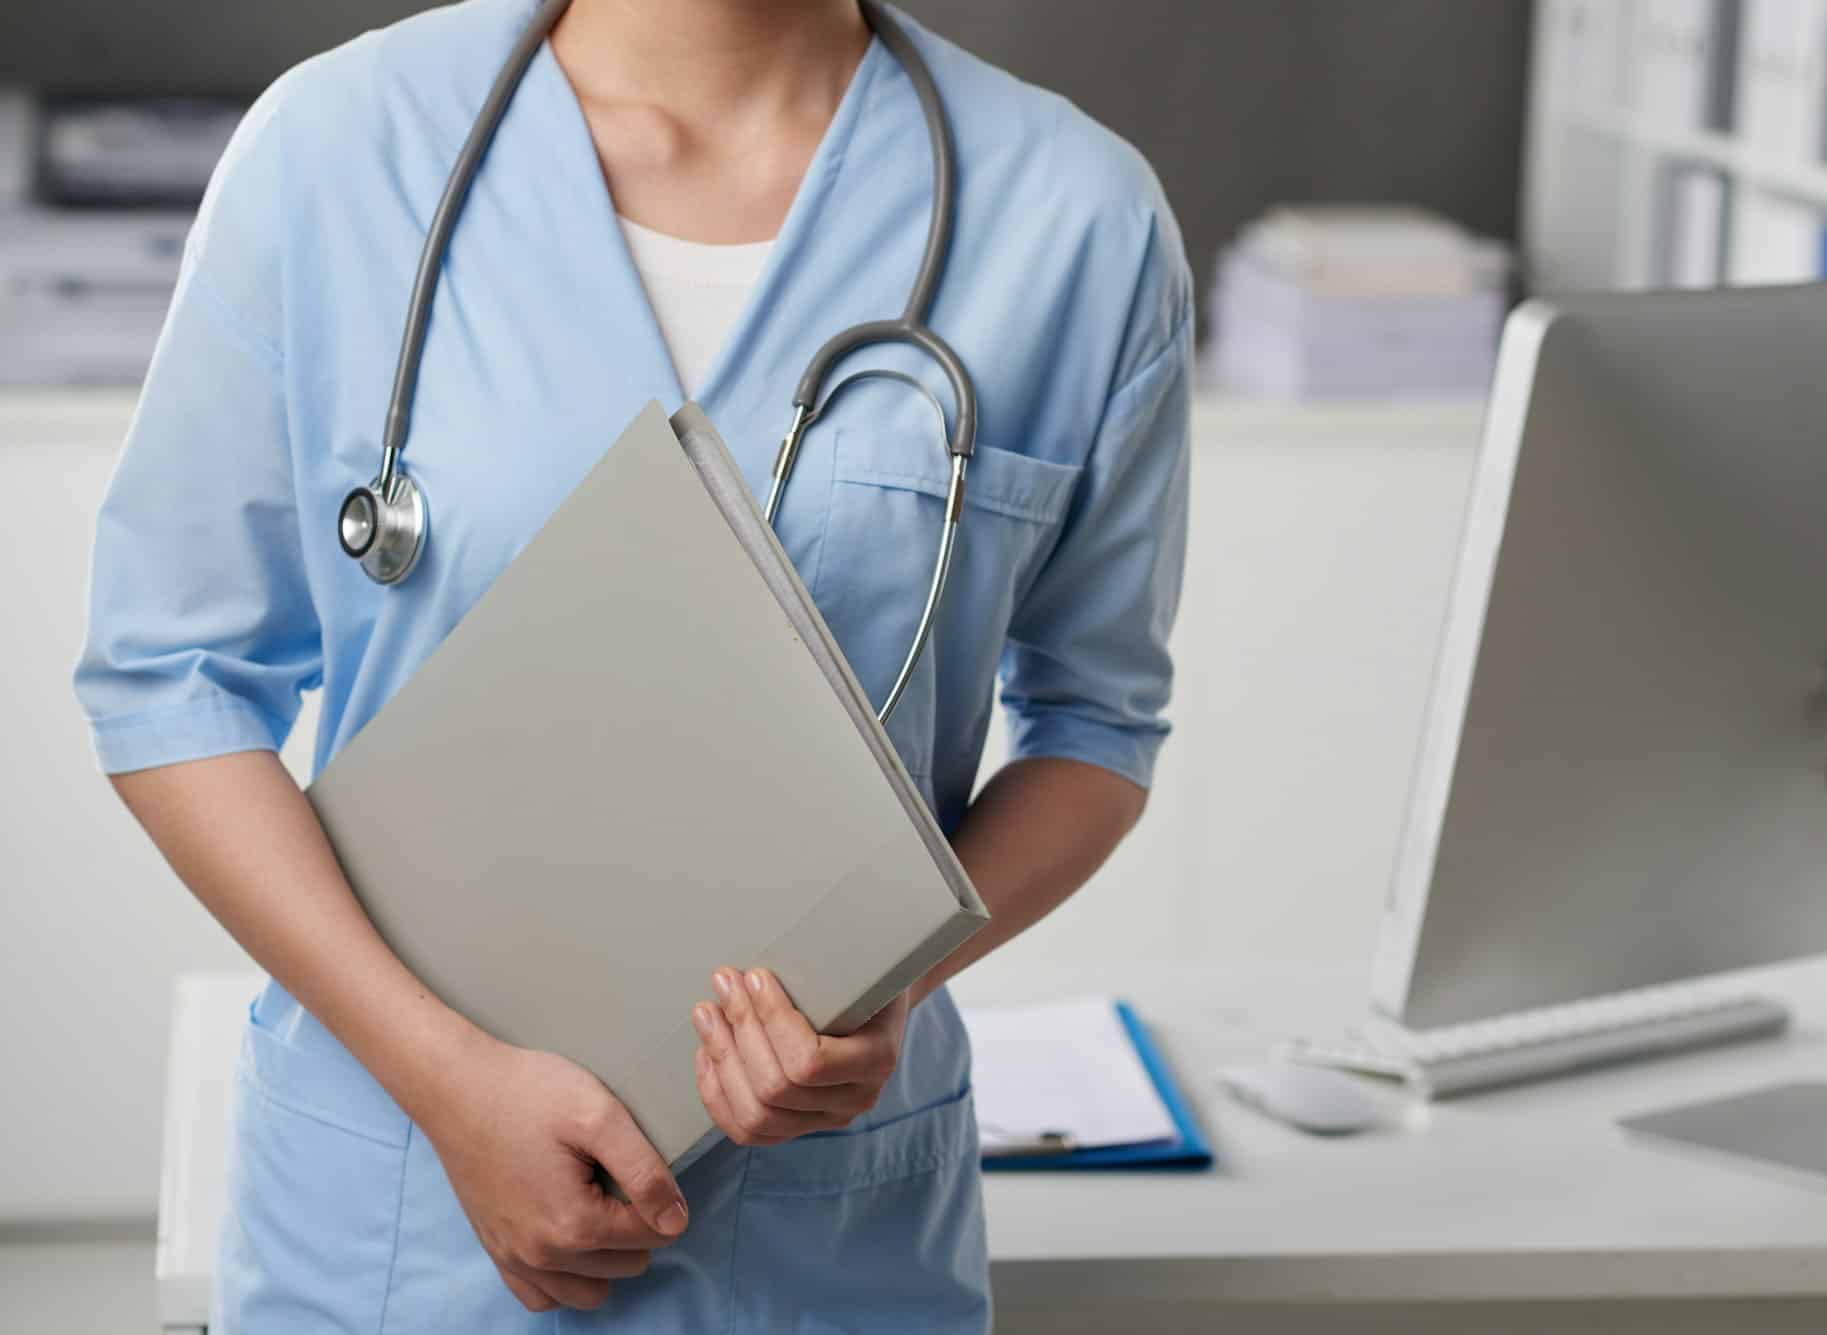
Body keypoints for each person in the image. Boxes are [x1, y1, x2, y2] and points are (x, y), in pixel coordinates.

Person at [74, 0, 1190, 1328]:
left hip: (826, 1239)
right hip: (398, 1223)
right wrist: (446, 1082)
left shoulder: (1076, 220)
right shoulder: (335, 151)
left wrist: (884, 987)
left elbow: (1095, 727)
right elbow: (173, 677)